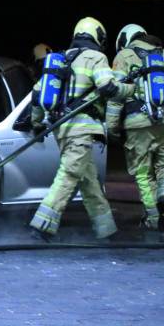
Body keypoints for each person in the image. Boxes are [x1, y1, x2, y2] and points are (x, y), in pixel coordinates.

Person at [29, 17, 135, 241]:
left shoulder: (61, 60)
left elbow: (38, 96)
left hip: (62, 129)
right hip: (81, 128)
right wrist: (129, 89)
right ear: (98, 36)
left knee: (89, 182)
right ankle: (41, 226)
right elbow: (108, 86)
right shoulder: (96, 57)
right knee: (68, 175)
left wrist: (36, 124)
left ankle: (106, 230)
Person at [106, 24, 164, 231]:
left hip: (137, 123)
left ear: (125, 40)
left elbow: (116, 97)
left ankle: (152, 218)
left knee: (143, 173)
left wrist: (112, 129)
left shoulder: (124, 56)